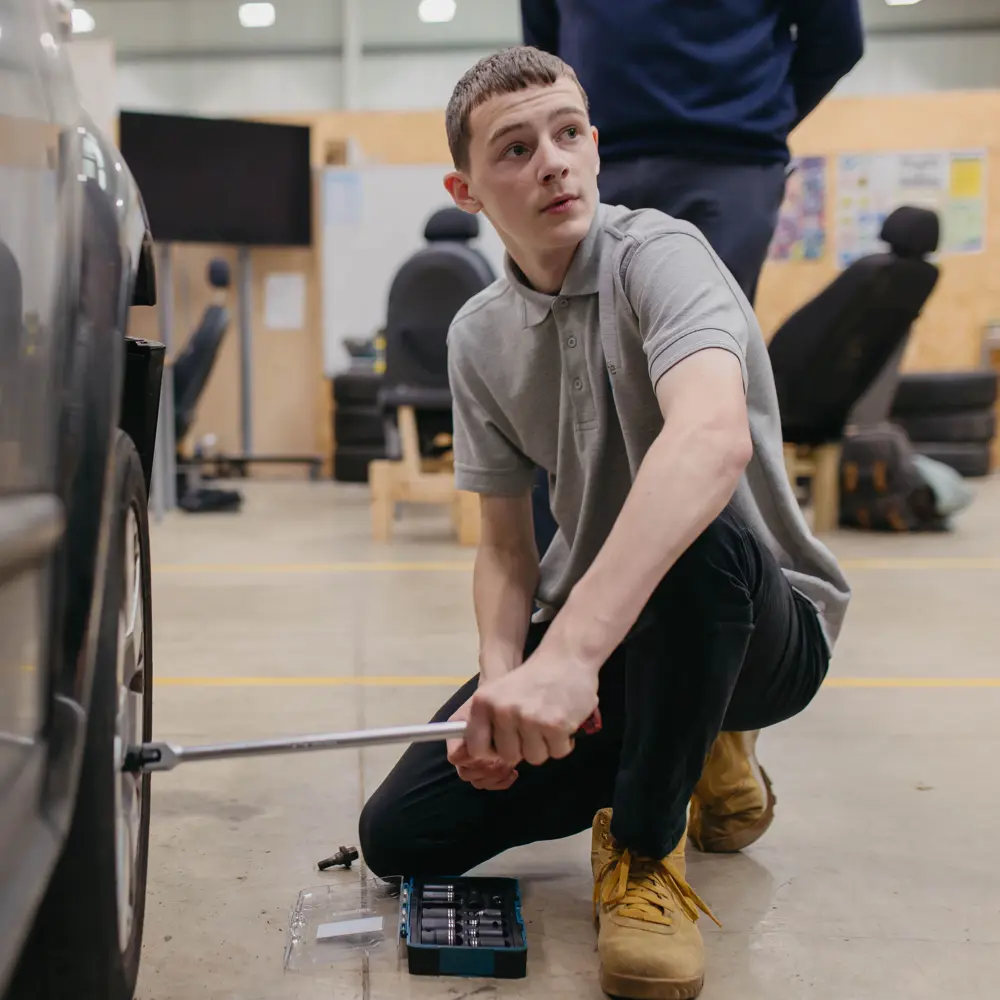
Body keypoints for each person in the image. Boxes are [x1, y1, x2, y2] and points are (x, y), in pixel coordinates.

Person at [359, 48, 851, 1000]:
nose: (553, 161)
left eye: (569, 133)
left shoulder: (660, 256)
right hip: (615, 629)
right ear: (466, 187)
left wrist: (572, 657)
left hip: (759, 623)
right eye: (515, 147)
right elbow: (504, 547)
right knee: (402, 838)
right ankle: (688, 733)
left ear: (595, 147)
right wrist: (505, 687)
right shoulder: (477, 337)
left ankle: (645, 847)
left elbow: (711, 441)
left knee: (688, 531)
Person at [520, 0, 865, 843]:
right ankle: (607, 680)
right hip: (598, 147)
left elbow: (835, 38)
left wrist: (754, 121)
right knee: (579, 417)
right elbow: (543, 35)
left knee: (694, 409)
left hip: (727, 159)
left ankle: (720, 721)